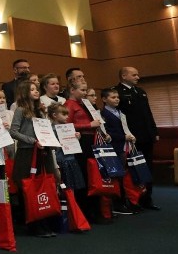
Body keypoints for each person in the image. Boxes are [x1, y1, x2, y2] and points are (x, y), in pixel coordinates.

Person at [9, 81, 57, 237]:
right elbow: (13, 132)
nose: (36, 91)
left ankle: (45, 220)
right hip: (28, 152)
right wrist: (32, 141)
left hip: (44, 152)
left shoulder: (40, 111)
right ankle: (34, 223)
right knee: (31, 187)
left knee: (46, 184)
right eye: (32, 89)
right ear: (24, 92)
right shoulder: (21, 110)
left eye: (37, 89)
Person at [65, 81, 108, 224]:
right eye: (82, 90)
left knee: (93, 176)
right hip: (80, 143)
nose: (85, 93)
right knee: (85, 176)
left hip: (91, 141)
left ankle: (96, 210)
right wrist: (88, 125)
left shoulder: (84, 104)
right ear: (72, 90)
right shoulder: (69, 105)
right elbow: (65, 125)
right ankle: (87, 212)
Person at [100, 89, 140, 215]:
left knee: (123, 176)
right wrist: (123, 137)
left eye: (117, 97)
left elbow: (125, 128)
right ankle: (117, 204)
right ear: (104, 99)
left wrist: (130, 135)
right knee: (116, 176)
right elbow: (106, 132)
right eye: (113, 97)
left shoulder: (120, 112)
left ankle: (126, 201)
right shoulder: (103, 113)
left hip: (123, 147)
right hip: (113, 147)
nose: (116, 99)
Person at [48, 103, 84, 194]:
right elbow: (50, 147)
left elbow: (73, 143)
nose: (67, 117)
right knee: (61, 186)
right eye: (64, 114)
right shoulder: (50, 130)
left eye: (67, 114)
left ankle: (71, 206)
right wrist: (55, 144)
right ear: (54, 115)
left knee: (71, 188)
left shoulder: (68, 128)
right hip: (59, 161)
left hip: (70, 159)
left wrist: (77, 137)